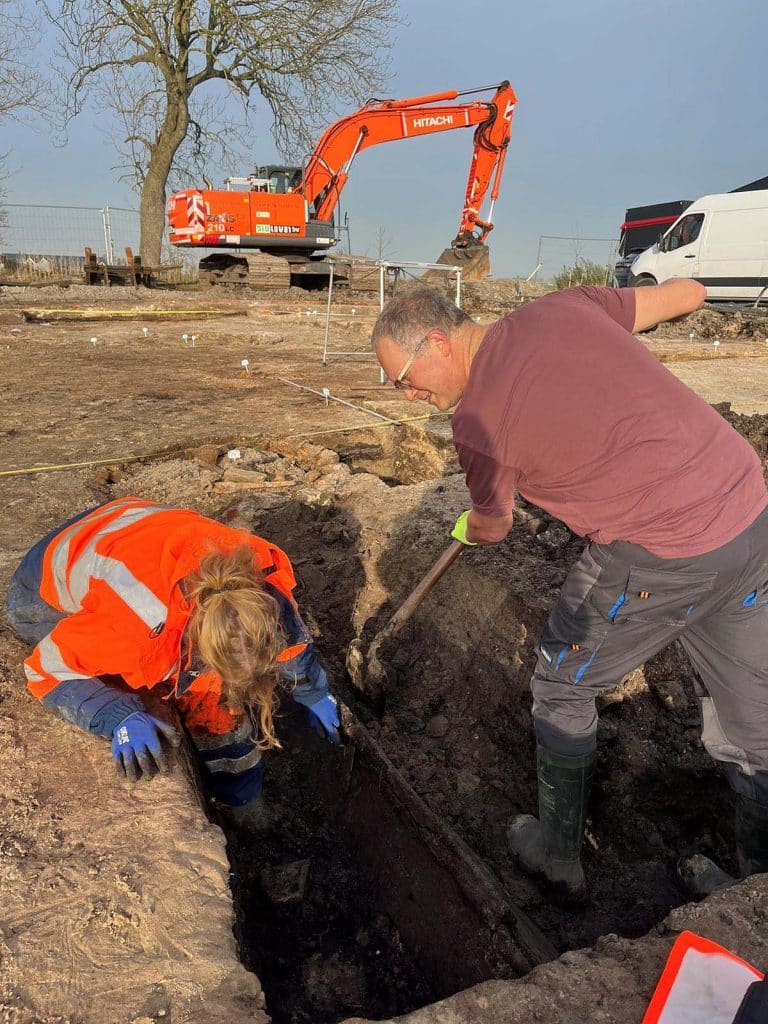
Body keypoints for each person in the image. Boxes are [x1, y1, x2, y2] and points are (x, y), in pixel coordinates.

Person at [372, 280, 768, 902]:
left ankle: (559, 856)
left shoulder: (477, 426)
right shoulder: (564, 308)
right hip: (746, 508)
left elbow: (494, 526)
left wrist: (468, 524)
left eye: (404, 378)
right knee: (754, 720)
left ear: (439, 343)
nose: (408, 394)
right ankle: (757, 890)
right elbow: (687, 293)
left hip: (661, 551)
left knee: (562, 684)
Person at [5, 497, 340, 823]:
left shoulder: (260, 587)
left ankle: (240, 793)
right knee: (205, 697)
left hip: (125, 526)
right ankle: (239, 802)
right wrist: (116, 715)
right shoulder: (133, 625)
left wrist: (313, 691)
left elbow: (290, 641)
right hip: (41, 590)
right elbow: (44, 671)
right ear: (198, 643)